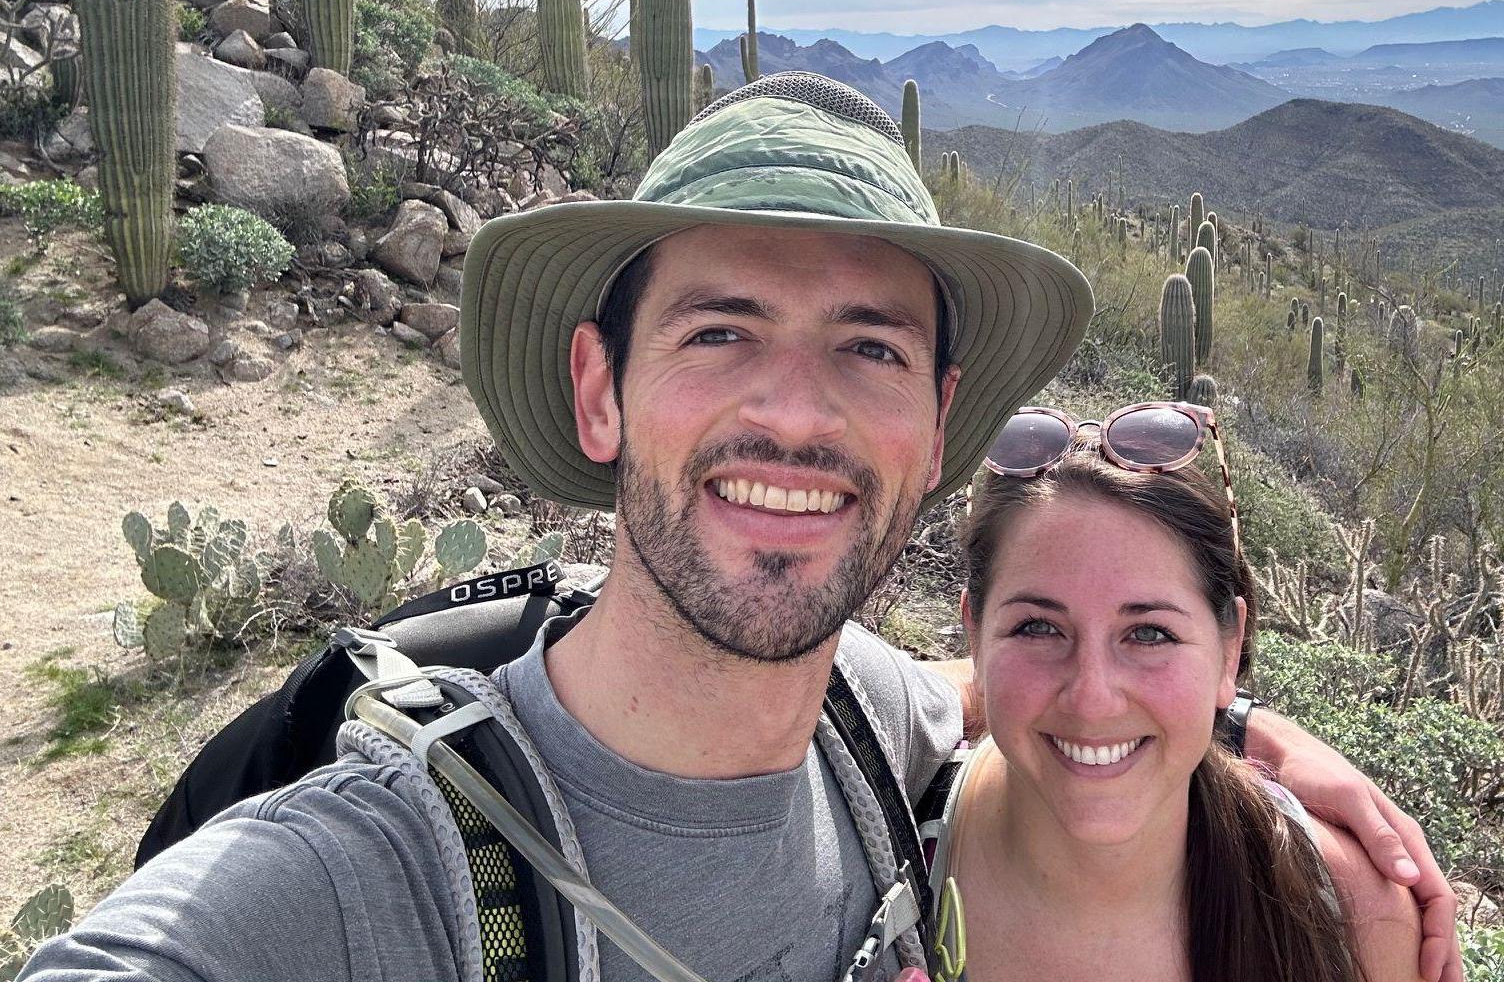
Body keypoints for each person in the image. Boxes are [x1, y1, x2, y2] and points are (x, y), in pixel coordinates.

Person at [22, 74, 1458, 982]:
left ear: (938, 427)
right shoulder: (363, 884)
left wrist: (1244, 732)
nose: (798, 412)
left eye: (869, 349)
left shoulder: (876, 732)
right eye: (720, 331)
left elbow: (1044, 688)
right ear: (602, 394)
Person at [926, 403, 1422, 982]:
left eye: (1149, 634)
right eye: (1038, 627)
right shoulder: (884, 828)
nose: (1093, 699)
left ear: (1228, 649)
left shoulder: (1352, 910)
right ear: (975, 637)